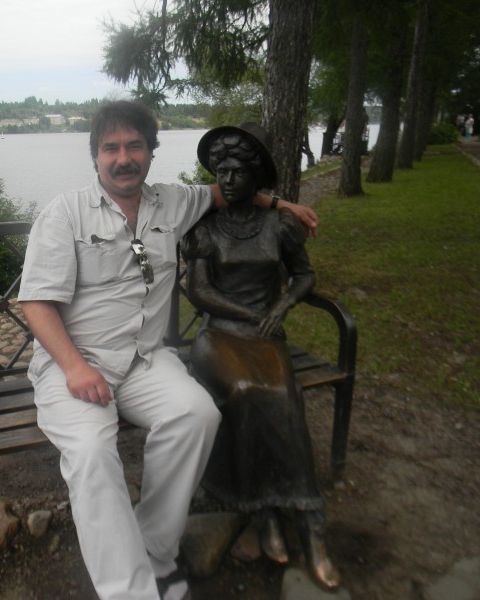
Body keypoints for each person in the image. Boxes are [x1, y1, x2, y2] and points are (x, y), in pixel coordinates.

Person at [17, 100, 318, 600]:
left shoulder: (171, 202)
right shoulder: (65, 213)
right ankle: (130, 591)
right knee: (92, 453)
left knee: (197, 415)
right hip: (76, 365)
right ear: (95, 156)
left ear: (151, 152)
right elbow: (36, 302)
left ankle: (155, 549)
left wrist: (282, 205)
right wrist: (73, 367)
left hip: (144, 361)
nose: (123, 158)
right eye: (111, 148)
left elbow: (226, 193)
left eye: (134, 145)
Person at [181, 123, 339, 589]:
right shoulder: (205, 228)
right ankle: (263, 510)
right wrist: (252, 313)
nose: (227, 180)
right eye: (221, 172)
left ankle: (309, 523)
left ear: (256, 178)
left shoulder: (279, 226)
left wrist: (283, 304)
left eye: (237, 172)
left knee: (284, 395)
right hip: (219, 336)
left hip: (267, 336)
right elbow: (199, 292)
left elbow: (304, 275)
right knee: (248, 390)